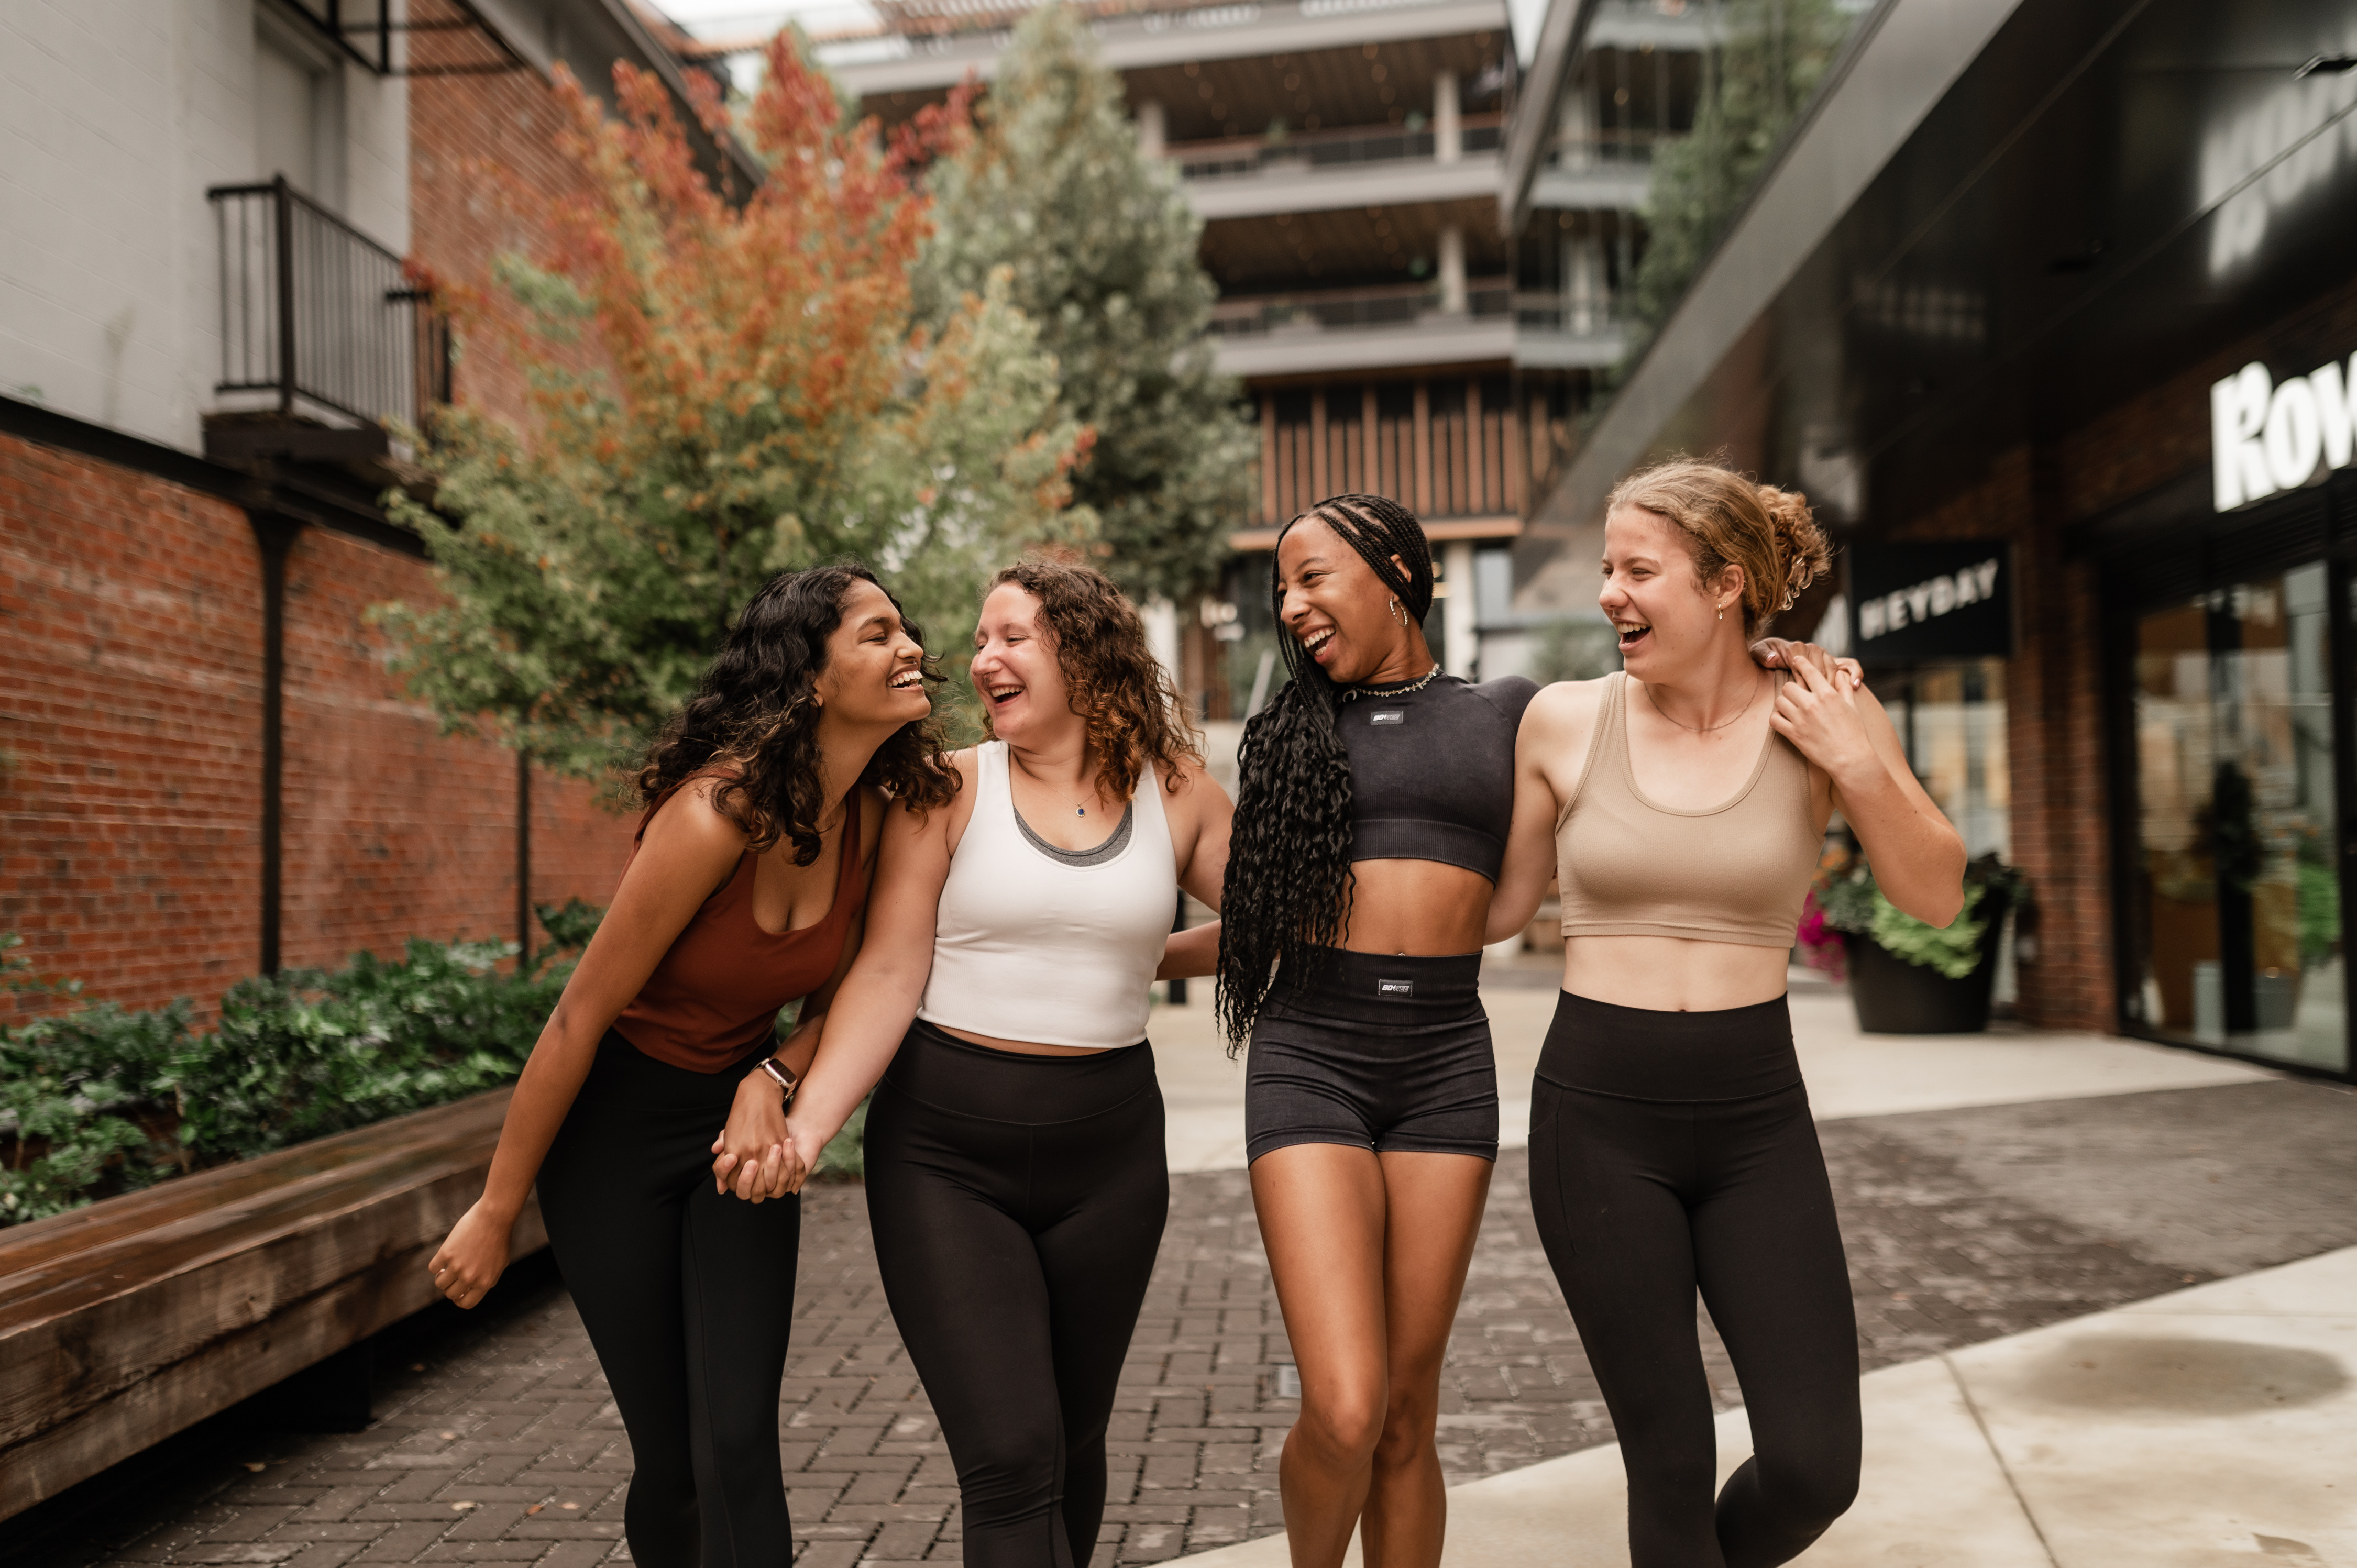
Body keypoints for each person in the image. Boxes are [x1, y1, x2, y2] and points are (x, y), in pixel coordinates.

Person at [425, 565, 957, 1568]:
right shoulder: (716, 814)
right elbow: (579, 1017)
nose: (911, 649)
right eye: (878, 633)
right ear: (810, 676)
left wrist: (777, 1079)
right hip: (612, 1139)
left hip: (734, 1132)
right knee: (671, 1464)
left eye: (906, 630)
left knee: (740, 1440)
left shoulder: (880, 813)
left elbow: (852, 996)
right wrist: (496, 1211)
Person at [1488, 457, 1967, 1568]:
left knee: (1813, 1467)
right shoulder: (1563, 723)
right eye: (1607, 567)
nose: (1609, 591)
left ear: (1725, 585)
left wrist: (1860, 765)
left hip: (1756, 1121)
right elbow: (1495, 909)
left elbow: (1935, 895)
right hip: (1595, 1121)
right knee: (1668, 1461)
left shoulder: (1824, 712)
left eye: (1638, 569)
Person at [735, 559, 1231, 1568]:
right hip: (947, 1153)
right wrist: (811, 1120)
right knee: (1011, 1454)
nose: (982, 659)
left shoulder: (1175, 790)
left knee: (1073, 1445)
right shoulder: (949, 786)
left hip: (1113, 1157)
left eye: (1012, 636)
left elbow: (1274, 922)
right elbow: (887, 969)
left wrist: (1137, 957)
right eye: (979, 641)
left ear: (1083, 654)